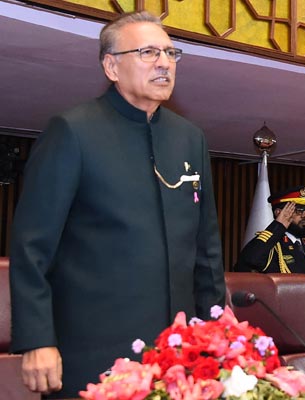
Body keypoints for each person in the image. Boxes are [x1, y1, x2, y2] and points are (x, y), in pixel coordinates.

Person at [9, 11, 226, 398]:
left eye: (171, 53)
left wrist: (218, 332)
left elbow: (206, 252)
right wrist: (37, 338)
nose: (163, 62)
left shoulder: (190, 139)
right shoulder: (73, 131)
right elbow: (31, 247)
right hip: (92, 353)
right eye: (147, 52)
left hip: (179, 359)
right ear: (111, 65)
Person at [235, 186, 305, 274]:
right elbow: (248, 261)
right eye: (299, 209)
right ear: (279, 212)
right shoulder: (272, 246)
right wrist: (278, 225)